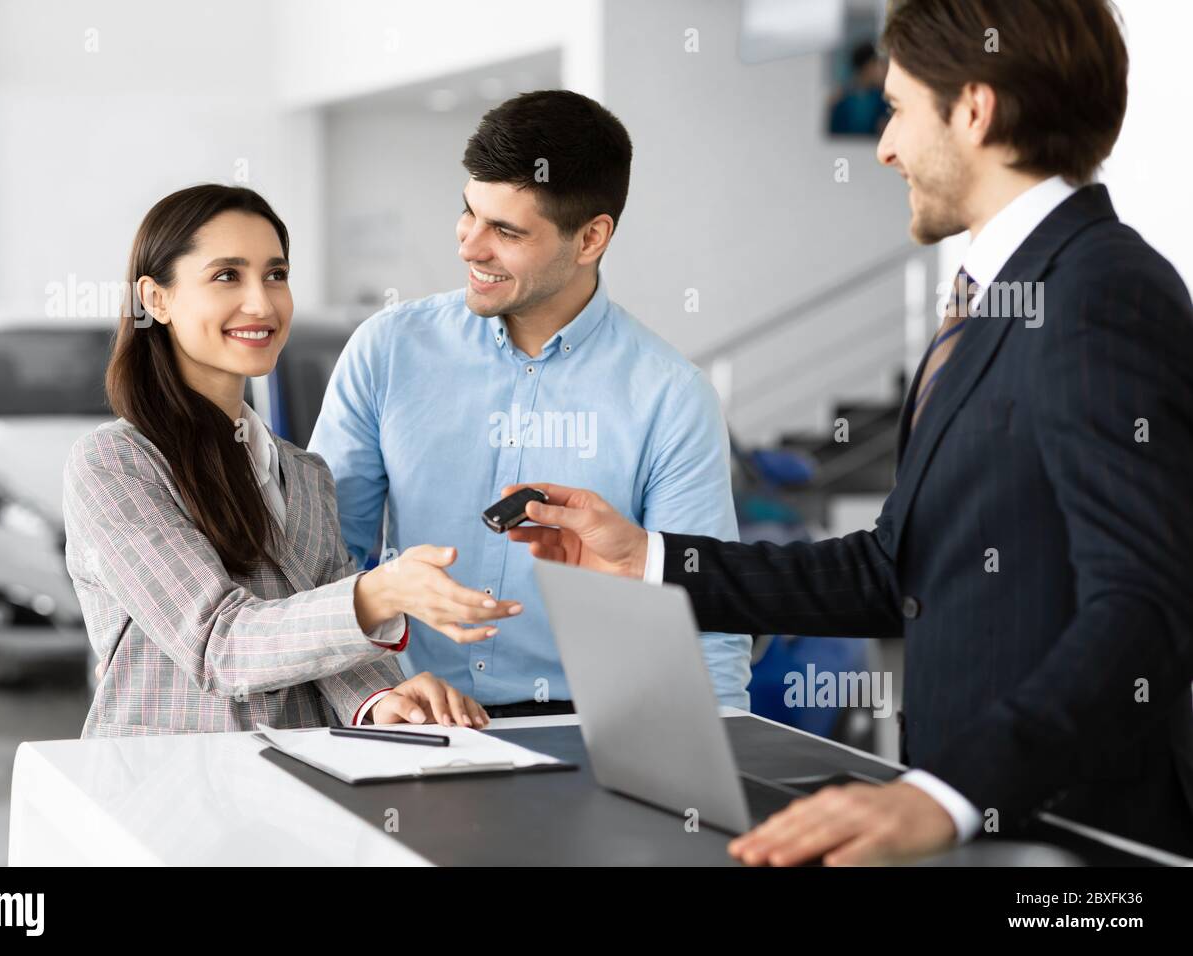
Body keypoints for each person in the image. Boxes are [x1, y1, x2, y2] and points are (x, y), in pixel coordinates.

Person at [505, 0, 1193, 863]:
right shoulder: (995, 301)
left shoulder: (1100, 292)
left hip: (1079, 842)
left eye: (899, 108)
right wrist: (644, 557)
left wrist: (949, 794)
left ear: (974, 110)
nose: (885, 147)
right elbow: (893, 569)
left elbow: (1147, 609)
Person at [311, 91, 752, 718]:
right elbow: (326, 563)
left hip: (587, 729)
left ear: (591, 237)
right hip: (406, 715)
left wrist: (715, 776)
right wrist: (370, 696)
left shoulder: (670, 396)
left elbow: (702, 610)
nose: (470, 246)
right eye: (469, 213)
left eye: (506, 231)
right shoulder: (387, 351)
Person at [64, 184, 518, 737]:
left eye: (275, 275)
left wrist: (383, 696)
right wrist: (380, 593)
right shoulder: (116, 465)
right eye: (227, 276)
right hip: (165, 797)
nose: (261, 303)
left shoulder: (304, 474)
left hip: (299, 790)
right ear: (155, 299)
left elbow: (324, 633)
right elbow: (219, 645)